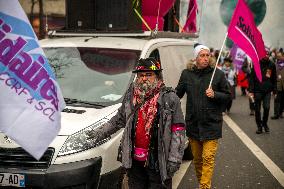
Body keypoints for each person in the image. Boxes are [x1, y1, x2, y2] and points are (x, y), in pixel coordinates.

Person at [87, 57, 186, 189]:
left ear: (157, 76)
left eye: (148, 74)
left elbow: (178, 130)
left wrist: (174, 159)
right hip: (134, 162)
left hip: (158, 162)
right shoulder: (131, 96)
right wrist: (99, 133)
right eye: (141, 75)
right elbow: (119, 119)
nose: (144, 78)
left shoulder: (170, 98)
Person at [176, 43, 231, 189]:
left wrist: (215, 94)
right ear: (195, 58)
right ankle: (203, 183)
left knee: (208, 158)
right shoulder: (186, 74)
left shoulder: (217, 74)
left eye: (208, 55)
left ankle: (204, 186)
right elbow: (177, 94)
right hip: (193, 124)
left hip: (211, 123)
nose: (206, 58)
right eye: (202, 55)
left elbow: (228, 96)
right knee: (198, 160)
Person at [248, 54, 277, 134]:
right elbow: (252, 78)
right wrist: (251, 91)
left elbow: (274, 78)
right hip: (257, 90)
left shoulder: (271, 64)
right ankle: (259, 126)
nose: (266, 56)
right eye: (264, 54)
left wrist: (275, 91)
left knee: (267, 107)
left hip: (267, 91)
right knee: (257, 110)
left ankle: (264, 123)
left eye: (268, 54)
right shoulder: (256, 64)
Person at [271, 51, 284, 119]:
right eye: (277, 57)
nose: (279, 58)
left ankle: (281, 112)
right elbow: (272, 75)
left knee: (282, 100)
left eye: (280, 56)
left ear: (283, 56)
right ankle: (276, 114)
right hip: (277, 85)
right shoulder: (274, 65)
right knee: (276, 100)